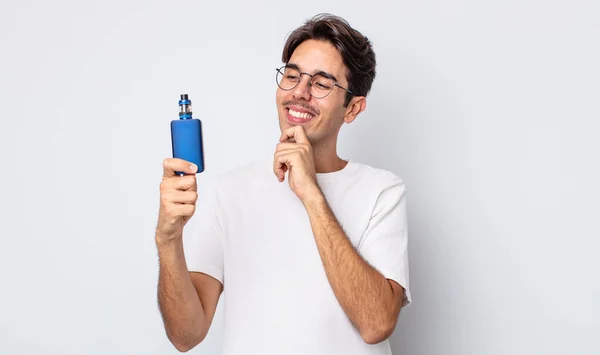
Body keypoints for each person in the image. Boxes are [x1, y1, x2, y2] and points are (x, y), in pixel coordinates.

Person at [155, 13, 411, 355]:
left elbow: (376, 324)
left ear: (352, 108)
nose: (299, 93)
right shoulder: (229, 191)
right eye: (292, 76)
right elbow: (186, 335)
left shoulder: (382, 191)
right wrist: (167, 239)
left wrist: (311, 194)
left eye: (321, 84)